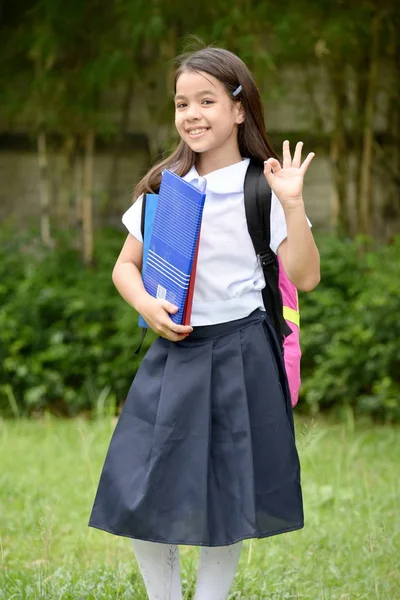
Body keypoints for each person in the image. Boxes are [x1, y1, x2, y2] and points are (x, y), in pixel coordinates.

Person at [89, 46, 320, 600]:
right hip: (173, 354)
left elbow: (305, 277)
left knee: (226, 490)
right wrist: (144, 304)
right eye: (181, 103)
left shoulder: (262, 187)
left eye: (206, 101)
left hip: (241, 352)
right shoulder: (167, 187)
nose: (191, 114)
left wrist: (291, 205)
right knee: (138, 486)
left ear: (239, 110)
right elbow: (125, 267)